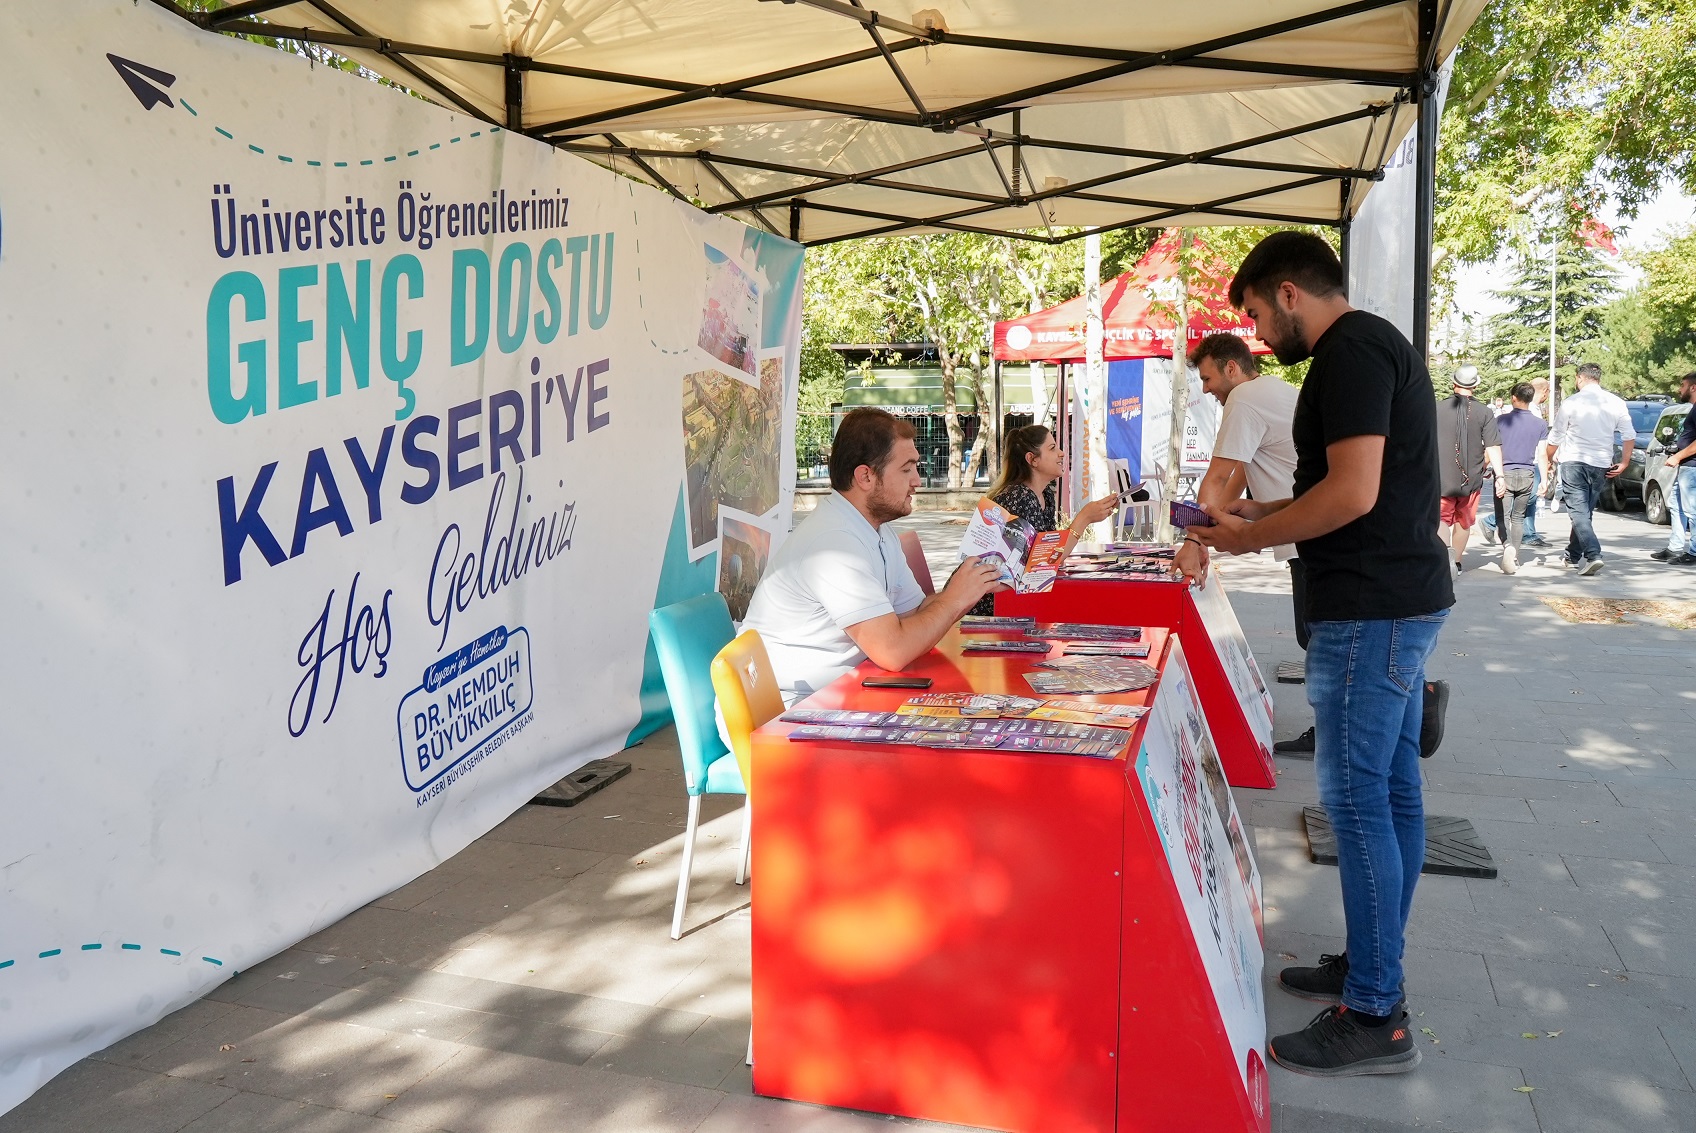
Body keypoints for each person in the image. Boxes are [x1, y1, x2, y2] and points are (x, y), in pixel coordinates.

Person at [1192, 231, 1452, 1078]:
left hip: (1369, 608)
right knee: (1393, 791)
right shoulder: (1372, 346)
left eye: (1260, 314)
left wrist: (1253, 532)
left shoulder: (1347, 356)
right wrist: (1255, 518)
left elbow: (1352, 494)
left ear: (1290, 294)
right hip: (1399, 597)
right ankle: (1372, 965)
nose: (1261, 335)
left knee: (1356, 799)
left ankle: (1377, 1007)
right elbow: (1334, 483)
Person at [740, 408, 1003, 704]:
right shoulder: (833, 545)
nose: (917, 480)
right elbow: (894, 651)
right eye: (906, 469)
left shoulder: (876, 530)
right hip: (783, 712)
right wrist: (956, 598)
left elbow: (915, 615)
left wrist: (972, 584)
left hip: (837, 695)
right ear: (865, 476)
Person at [968, 425, 1119, 615]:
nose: (1062, 453)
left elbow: (1049, 553)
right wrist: (1085, 517)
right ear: (1032, 459)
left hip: (1014, 599)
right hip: (991, 605)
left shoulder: (1045, 494)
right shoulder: (1019, 497)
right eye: (1052, 448)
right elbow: (1042, 564)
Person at [1543, 362, 1634, 576]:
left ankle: (1593, 555)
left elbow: (1556, 436)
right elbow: (1629, 435)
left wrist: (1548, 458)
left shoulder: (1572, 402)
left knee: (1578, 512)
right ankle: (1573, 555)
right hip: (1601, 464)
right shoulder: (1616, 402)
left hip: (1573, 461)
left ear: (1580, 378)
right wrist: (1625, 462)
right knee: (1584, 512)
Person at [1435, 365, 1503, 574]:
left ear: (1454, 383)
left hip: (1440, 475)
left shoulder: (1436, 408)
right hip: (1471, 477)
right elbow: (1492, 445)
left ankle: (1443, 560)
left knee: (1441, 519)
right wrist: (1500, 476)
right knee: (1463, 521)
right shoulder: (1485, 412)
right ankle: (1456, 562)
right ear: (1475, 385)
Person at [1487, 383, 1552, 575]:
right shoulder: (1540, 424)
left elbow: (1493, 448)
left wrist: (1484, 465)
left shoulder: (1501, 420)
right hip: (1527, 474)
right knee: (1518, 517)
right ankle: (1514, 555)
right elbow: (1542, 455)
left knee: (1502, 516)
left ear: (1514, 398)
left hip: (1504, 473)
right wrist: (1545, 480)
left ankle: (1507, 546)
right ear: (1531, 399)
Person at [1650, 372, 1696, 566]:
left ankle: (1694, 552)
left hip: (1692, 467)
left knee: (1692, 510)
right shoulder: (1693, 409)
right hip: (1686, 467)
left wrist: (1678, 455)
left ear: (1693, 387)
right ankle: (1675, 547)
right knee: (1676, 506)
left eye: (1683, 385)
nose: (1680, 389)